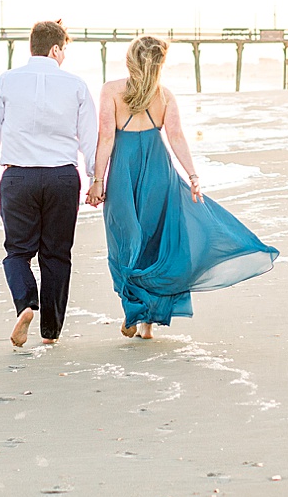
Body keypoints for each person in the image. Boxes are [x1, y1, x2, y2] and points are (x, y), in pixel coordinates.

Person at [86, 34, 277, 338]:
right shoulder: (164, 96)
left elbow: (106, 137)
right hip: (158, 175)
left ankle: (134, 309)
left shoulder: (111, 90)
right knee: (156, 243)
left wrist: (97, 180)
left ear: (129, 59)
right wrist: (192, 176)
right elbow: (176, 137)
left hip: (123, 174)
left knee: (125, 243)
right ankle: (147, 322)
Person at [0, 19, 97, 348]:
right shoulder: (75, 85)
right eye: (64, 51)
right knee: (57, 255)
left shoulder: (6, 81)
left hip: (19, 176)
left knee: (17, 252)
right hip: (61, 176)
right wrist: (96, 178)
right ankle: (50, 333)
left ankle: (27, 305)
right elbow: (90, 139)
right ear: (56, 48)